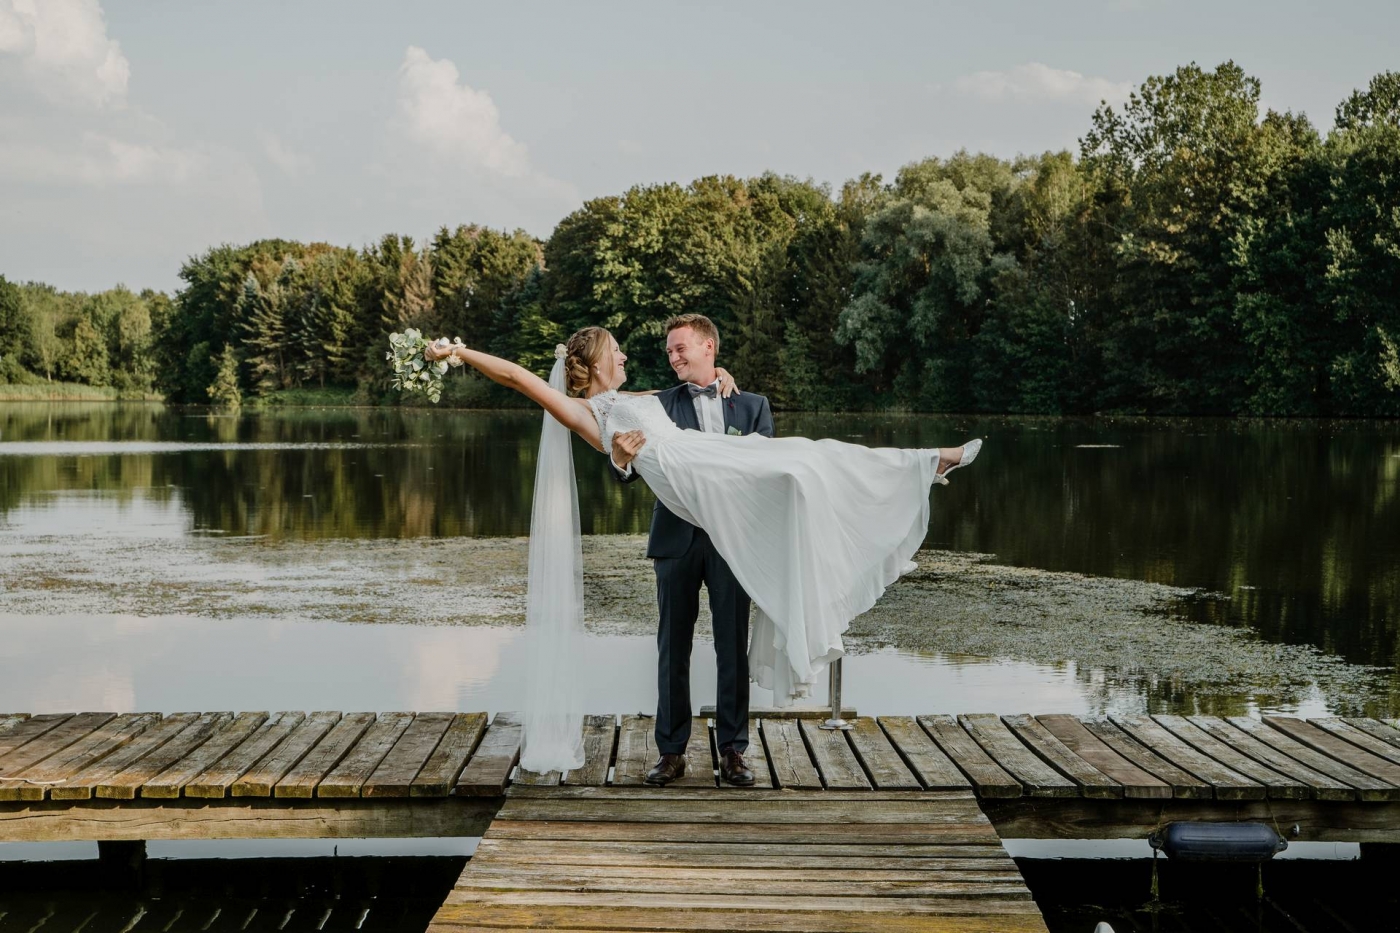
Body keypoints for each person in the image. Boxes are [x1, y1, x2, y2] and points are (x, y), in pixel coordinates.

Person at [423, 326, 980, 780]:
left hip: (713, 468)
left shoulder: (648, 398)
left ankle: (924, 464)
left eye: (673, 348)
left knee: (808, 458)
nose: (627, 355)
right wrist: (459, 352)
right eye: (616, 350)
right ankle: (672, 753)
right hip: (693, 489)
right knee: (679, 639)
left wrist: (719, 378)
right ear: (593, 365)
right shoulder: (587, 413)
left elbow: (695, 393)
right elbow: (519, 378)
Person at [609, 314, 772, 787]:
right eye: (669, 351)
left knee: (732, 648)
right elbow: (626, 458)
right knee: (671, 647)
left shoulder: (753, 407)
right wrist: (620, 463)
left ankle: (733, 752)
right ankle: (671, 751)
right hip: (675, 540)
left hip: (732, 542)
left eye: (681, 348)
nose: (673, 356)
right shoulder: (657, 405)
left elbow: (768, 476)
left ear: (708, 347)